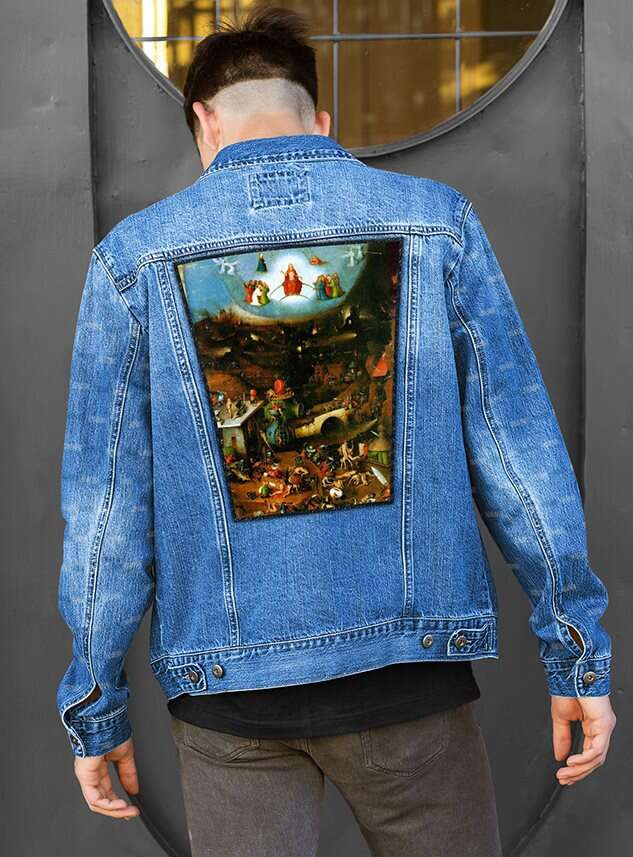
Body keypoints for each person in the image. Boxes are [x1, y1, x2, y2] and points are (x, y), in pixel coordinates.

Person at [56, 5, 616, 856]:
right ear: (320, 119)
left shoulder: (133, 260)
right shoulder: (436, 223)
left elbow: (105, 517)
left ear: (205, 122)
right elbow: (519, 461)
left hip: (228, 697)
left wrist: (94, 706)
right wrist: (576, 655)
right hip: (409, 681)